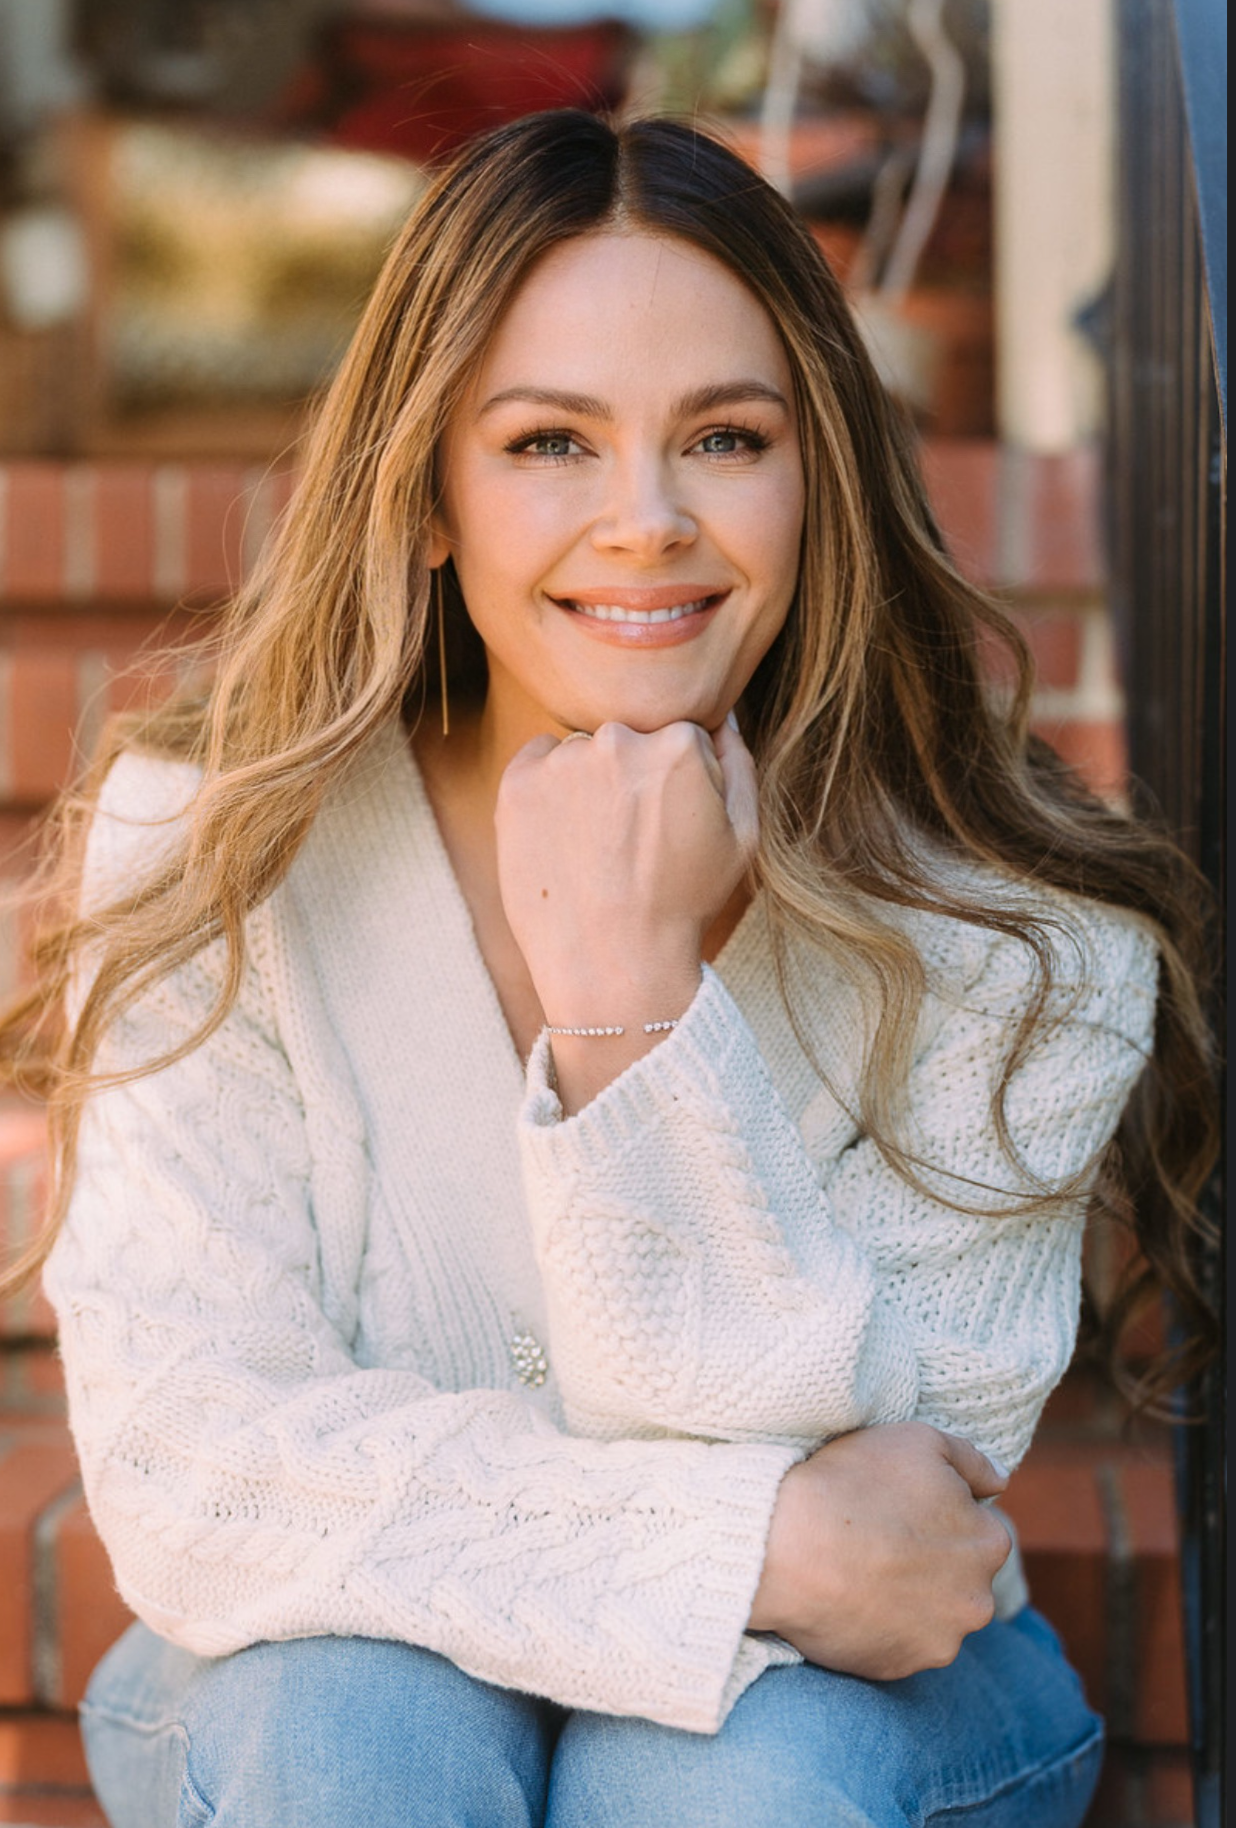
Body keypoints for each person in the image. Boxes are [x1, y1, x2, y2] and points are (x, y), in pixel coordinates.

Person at [0, 110, 1216, 1828]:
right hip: (316, 1689)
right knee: (351, 1742)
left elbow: (895, 1537)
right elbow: (199, 1468)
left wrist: (632, 1008)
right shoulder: (211, 852)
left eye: (722, 437)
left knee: (726, 1786)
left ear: (819, 483)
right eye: (549, 443)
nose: (645, 521)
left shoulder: (1017, 935)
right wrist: (748, 1549)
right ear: (426, 496)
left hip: (845, 1718)